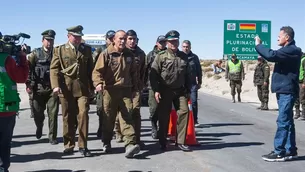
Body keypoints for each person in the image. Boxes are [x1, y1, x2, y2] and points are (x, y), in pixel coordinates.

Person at [255, 26, 302, 162]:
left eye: (279, 36)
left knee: (283, 121)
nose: (277, 38)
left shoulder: (291, 50)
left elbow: (271, 55)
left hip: (287, 91)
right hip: (284, 91)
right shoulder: (287, 50)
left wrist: (259, 45)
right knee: (288, 121)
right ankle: (290, 150)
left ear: (287, 37)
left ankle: (279, 151)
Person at [92, 30, 140, 158]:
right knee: (108, 118)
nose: (123, 41)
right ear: (114, 39)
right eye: (120, 38)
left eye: (124, 39)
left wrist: (136, 88)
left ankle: (130, 144)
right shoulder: (106, 53)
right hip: (110, 91)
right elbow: (97, 71)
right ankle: (106, 142)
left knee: (127, 117)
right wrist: (98, 83)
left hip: (125, 90)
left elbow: (134, 73)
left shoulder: (129, 54)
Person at [50, 25, 94, 157]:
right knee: (68, 117)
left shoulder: (86, 50)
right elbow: (54, 69)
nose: (77, 39)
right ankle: (69, 145)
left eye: (79, 37)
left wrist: (93, 86)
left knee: (83, 114)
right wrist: (55, 86)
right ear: (68, 36)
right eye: (75, 37)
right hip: (66, 89)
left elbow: (90, 69)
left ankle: (83, 146)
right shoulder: (60, 50)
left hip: (82, 89)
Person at [150, 30, 192, 151]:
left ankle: (180, 141)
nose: (173, 43)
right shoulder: (161, 56)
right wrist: (156, 90)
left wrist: (189, 90)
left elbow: (188, 75)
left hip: (180, 90)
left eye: (175, 41)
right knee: (163, 116)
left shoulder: (183, 56)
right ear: (167, 42)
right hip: (165, 90)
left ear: (178, 41)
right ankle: (162, 140)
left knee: (184, 112)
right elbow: (153, 75)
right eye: (171, 41)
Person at [26, 29, 59, 144]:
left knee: (53, 114)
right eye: (47, 40)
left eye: (51, 40)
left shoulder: (56, 53)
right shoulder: (35, 54)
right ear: (42, 40)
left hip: (52, 88)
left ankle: (52, 136)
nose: (49, 43)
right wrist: (28, 83)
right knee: (37, 114)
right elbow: (28, 69)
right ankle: (39, 126)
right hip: (38, 89)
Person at [114, 30, 146, 145]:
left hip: (136, 87)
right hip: (122, 87)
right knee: (122, 111)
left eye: (134, 39)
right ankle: (118, 132)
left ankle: (136, 139)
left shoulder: (141, 53)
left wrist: (141, 84)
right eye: (130, 39)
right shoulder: (121, 51)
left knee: (136, 111)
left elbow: (143, 70)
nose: (132, 41)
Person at [0, 47, 29, 172]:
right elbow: (21, 77)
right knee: (4, 142)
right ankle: (2, 168)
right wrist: (22, 58)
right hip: (6, 107)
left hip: (6, 106)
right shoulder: (7, 59)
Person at [94, 29, 115, 139]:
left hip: (113, 86)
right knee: (101, 109)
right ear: (106, 39)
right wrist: (96, 83)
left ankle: (111, 130)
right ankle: (101, 127)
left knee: (113, 108)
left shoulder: (119, 50)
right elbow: (94, 68)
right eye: (110, 39)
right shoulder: (100, 50)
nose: (112, 41)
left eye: (113, 38)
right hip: (102, 85)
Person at [144, 35, 167, 139]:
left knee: (165, 110)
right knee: (154, 108)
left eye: (164, 42)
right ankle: (154, 127)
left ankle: (162, 130)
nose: (162, 44)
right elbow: (144, 69)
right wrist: (143, 83)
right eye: (160, 42)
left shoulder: (169, 54)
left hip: (166, 86)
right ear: (157, 43)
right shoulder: (151, 54)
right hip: (152, 85)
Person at [181, 40, 202, 127]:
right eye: (184, 47)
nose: (186, 48)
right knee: (182, 103)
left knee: (193, 101)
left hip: (192, 84)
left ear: (190, 47)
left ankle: (194, 119)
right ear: (182, 47)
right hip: (181, 84)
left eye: (187, 47)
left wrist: (199, 81)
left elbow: (199, 70)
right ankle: (183, 121)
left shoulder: (194, 57)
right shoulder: (179, 56)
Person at [294, 52, 305, 120]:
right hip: (296, 81)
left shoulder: (303, 60)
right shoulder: (297, 60)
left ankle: (304, 114)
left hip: (301, 82)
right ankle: (297, 113)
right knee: (296, 98)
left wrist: (304, 82)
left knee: (302, 98)